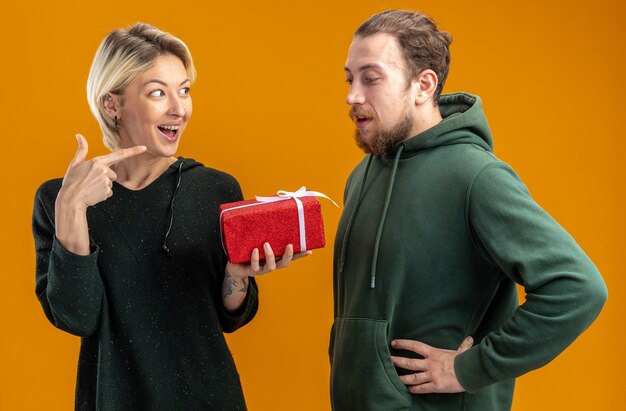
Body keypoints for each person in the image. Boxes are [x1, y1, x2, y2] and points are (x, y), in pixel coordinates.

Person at [330, 9, 608, 411]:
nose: (353, 95)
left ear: (423, 85)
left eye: (371, 78)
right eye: (349, 78)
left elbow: (579, 288)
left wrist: (471, 368)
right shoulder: (363, 173)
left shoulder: (476, 176)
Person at [32, 23, 306, 410]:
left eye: (184, 90)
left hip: (209, 396)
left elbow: (232, 318)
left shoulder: (216, 189)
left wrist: (237, 276)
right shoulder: (59, 199)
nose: (179, 108)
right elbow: (76, 317)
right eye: (158, 92)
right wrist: (72, 209)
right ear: (112, 104)